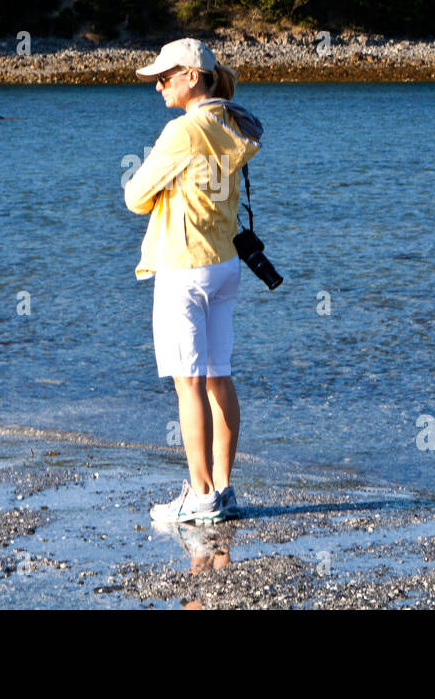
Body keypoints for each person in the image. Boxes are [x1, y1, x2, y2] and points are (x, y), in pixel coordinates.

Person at [123, 37, 264, 524]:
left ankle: (201, 494)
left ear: (191, 77)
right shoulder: (230, 123)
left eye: (164, 76)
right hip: (224, 264)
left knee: (189, 385)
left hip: (183, 266)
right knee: (218, 377)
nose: (158, 85)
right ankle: (223, 490)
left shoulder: (182, 132)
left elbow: (136, 197)